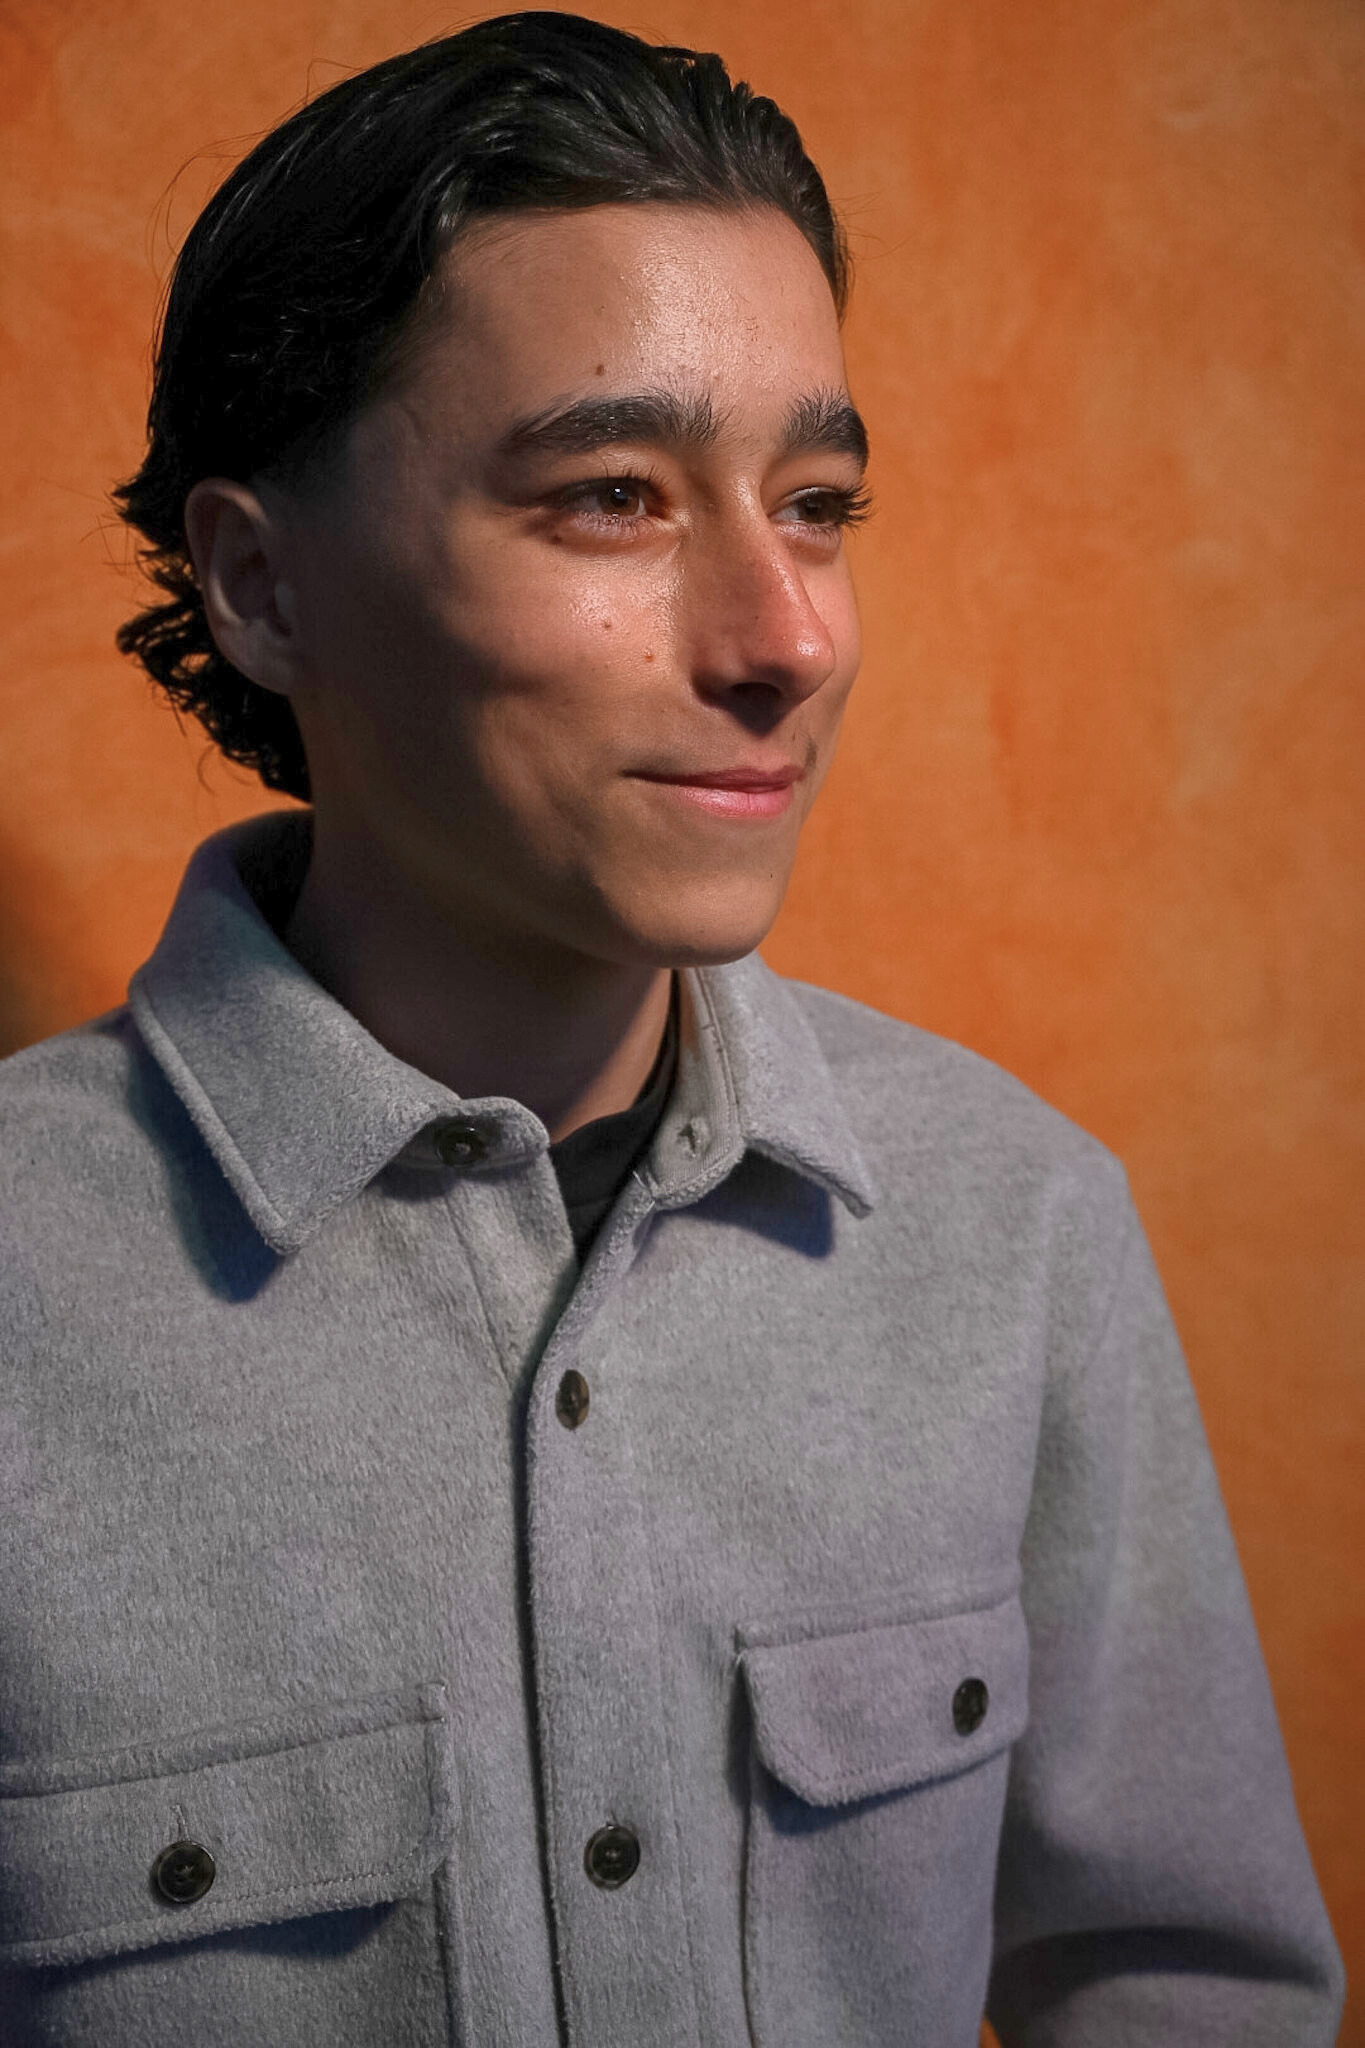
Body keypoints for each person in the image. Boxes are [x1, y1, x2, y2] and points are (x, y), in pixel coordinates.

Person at [0, 12, 1344, 2044]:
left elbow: (1186, 1986)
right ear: (263, 587)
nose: (786, 635)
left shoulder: (1017, 1224)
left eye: (818, 502)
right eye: (614, 496)